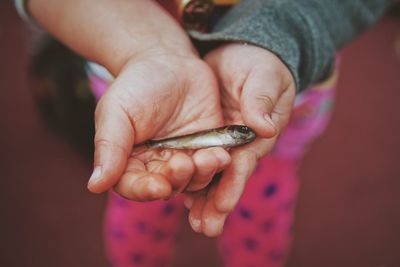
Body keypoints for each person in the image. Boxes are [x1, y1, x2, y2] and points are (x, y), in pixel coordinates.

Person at [16, 0, 398, 266]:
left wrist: (279, 35)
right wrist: (145, 48)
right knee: (144, 195)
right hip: (139, 90)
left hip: (281, 89)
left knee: (261, 199)